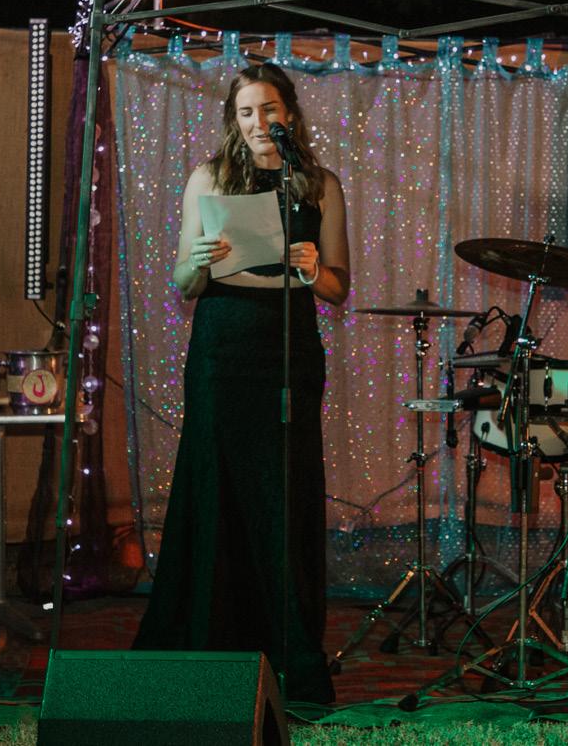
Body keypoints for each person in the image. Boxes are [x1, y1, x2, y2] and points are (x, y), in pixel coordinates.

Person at [133, 63, 349, 705]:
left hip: (288, 357)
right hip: (222, 353)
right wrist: (198, 262)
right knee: (217, 488)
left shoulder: (319, 184)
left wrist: (312, 269)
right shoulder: (210, 177)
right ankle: (210, 641)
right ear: (233, 118)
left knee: (283, 491)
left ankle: (288, 649)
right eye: (247, 111)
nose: (259, 122)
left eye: (269, 109)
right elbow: (184, 283)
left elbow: (338, 288)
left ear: (290, 115)